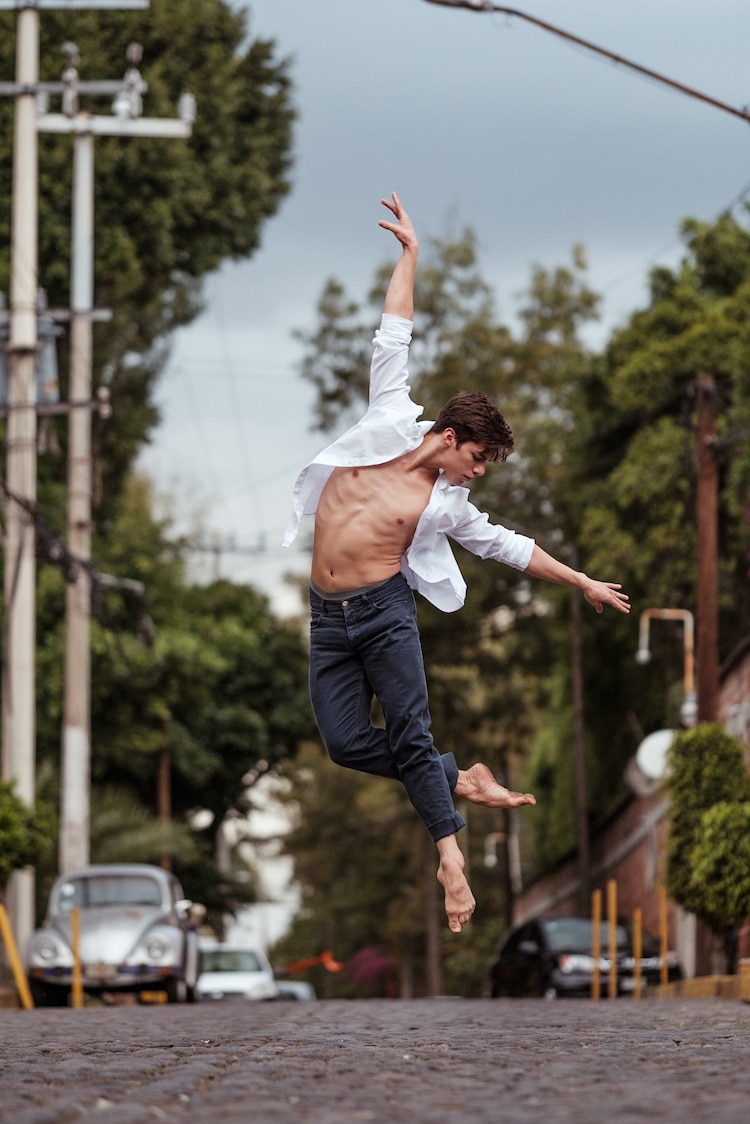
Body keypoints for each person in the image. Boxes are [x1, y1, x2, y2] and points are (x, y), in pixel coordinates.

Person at [284, 193, 630, 933]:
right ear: (446, 436)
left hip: (383, 617)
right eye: (476, 458)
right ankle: (456, 779)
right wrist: (410, 255)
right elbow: (393, 333)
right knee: (345, 744)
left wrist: (579, 581)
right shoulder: (385, 419)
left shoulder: (445, 506)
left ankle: (452, 861)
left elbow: (508, 545)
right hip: (326, 620)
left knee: (408, 732)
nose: (476, 473)